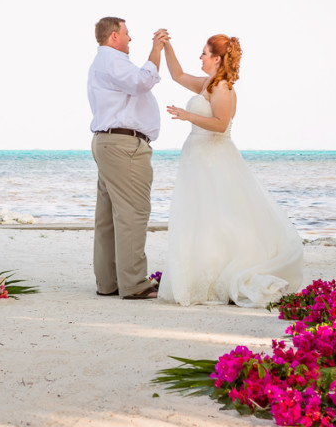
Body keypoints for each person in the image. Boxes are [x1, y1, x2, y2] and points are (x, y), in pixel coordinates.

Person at [157, 34, 303, 307]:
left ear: (216, 58)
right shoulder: (206, 84)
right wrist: (166, 46)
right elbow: (176, 74)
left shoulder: (222, 88)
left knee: (218, 218)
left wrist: (188, 116)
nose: (200, 57)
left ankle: (221, 276)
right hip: (197, 158)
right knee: (200, 217)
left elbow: (220, 124)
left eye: (203, 53)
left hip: (215, 158)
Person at [87, 17, 167, 300]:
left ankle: (108, 282)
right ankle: (134, 283)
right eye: (127, 33)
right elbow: (143, 82)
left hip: (108, 143)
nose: (130, 38)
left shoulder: (103, 63)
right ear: (113, 37)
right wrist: (156, 49)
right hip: (123, 145)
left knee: (108, 216)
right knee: (133, 212)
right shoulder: (113, 60)